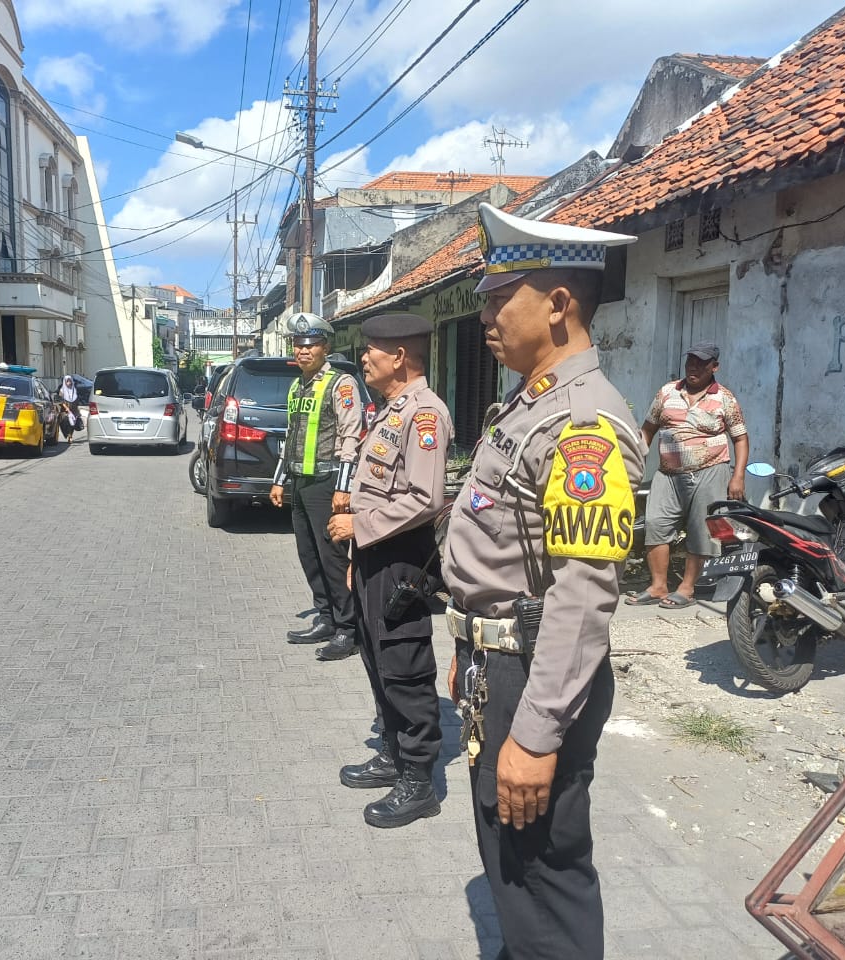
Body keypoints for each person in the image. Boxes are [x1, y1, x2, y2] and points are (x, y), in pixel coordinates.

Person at [441, 203, 645, 959]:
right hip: (499, 664)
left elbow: (582, 597)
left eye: (500, 298)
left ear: (559, 304)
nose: (484, 316)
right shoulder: (530, 404)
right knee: (510, 862)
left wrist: (535, 734)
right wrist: (468, 649)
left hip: (534, 678)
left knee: (542, 873)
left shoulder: (583, 426)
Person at [327, 312, 452, 828]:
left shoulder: (425, 414)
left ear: (399, 356)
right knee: (377, 659)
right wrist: (358, 555)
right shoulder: (390, 410)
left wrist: (359, 527)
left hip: (401, 559)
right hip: (375, 554)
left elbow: (425, 499)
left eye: (371, 350)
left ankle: (419, 781)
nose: (363, 358)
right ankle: (394, 753)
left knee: (404, 665)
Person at [624, 341, 749, 609]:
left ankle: (687, 588)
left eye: (701, 363)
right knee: (655, 524)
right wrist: (635, 464)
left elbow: (740, 438)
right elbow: (647, 431)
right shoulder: (667, 392)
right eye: (690, 361)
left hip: (710, 471)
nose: (693, 367)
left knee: (701, 530)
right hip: (668, 474)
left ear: (714, 367)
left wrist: (737, 476)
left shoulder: (725, 398)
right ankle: (658, 586)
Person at [270, 312, 363, 660]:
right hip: (300, 483)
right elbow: (290, 435)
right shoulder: (297, 386)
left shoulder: (341, 384)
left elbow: (351, 436)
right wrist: (279, 480)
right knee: (309, 557)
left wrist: (343, 487)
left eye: (310, 344)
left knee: (333, 559)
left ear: (325, 347)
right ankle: (326, 618)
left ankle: (348, 630)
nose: (303, 351)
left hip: (327, 483)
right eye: (298, 345)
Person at [59, 374, 80, 443]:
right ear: (65, 382)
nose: (69, 382)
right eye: (67, 381)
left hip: (74, 409)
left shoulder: (74, 390)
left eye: (70, 381)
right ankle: (68, 435)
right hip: (65, 410)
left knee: (72, 423)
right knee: (66, 422)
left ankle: (70, 436)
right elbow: (61, 401)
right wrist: (66, 408)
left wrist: (77, 409)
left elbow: (76, 399)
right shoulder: (62, 390)